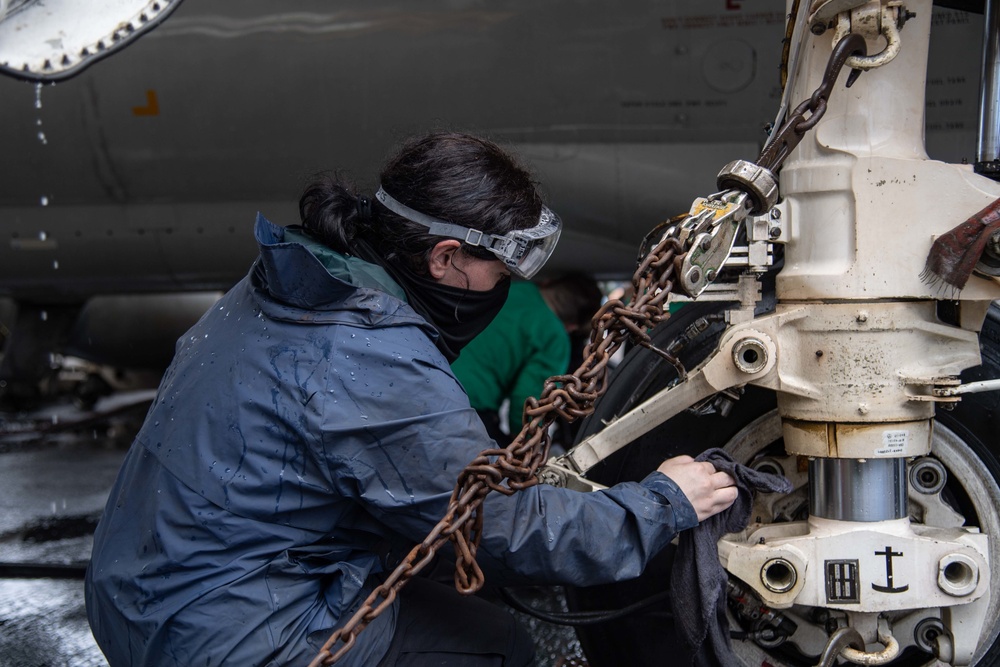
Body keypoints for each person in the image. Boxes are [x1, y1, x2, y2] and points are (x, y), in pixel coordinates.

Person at [84, 132, 738, 667]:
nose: (503, 288)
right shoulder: (369, 353)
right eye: (499, 272)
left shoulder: (287, 286)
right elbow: (500, 527)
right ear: (446, 257)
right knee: (499, 644)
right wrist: (660, 503)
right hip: (222, 639)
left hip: (139, 595)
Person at [451, 273, 602, 446]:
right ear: (573, 326)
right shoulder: (555, 337)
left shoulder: (509, 288)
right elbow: (529, 400)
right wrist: (524, 444)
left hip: (432, 371)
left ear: (547, 282)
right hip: (468, 404)